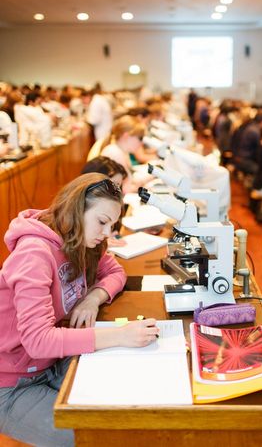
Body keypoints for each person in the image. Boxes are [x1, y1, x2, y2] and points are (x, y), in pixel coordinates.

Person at [0, 173, 159, 446]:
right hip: (11, 384)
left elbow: (116, 272)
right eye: (102, 222)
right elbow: (38, 341)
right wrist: (120, 335)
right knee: (98, 436)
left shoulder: (79, 241)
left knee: (129, 403)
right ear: (76, 209)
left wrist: (93, 298)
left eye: (112, 224)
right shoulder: (34, 254)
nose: (107, 233)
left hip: (52, 362)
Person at [100, 115, 153, 192]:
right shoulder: (115, 154)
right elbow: (124, 190)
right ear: (126, 136)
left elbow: (127, 182)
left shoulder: (121, 151)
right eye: (140, 138)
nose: (141, 143)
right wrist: (144, 182)